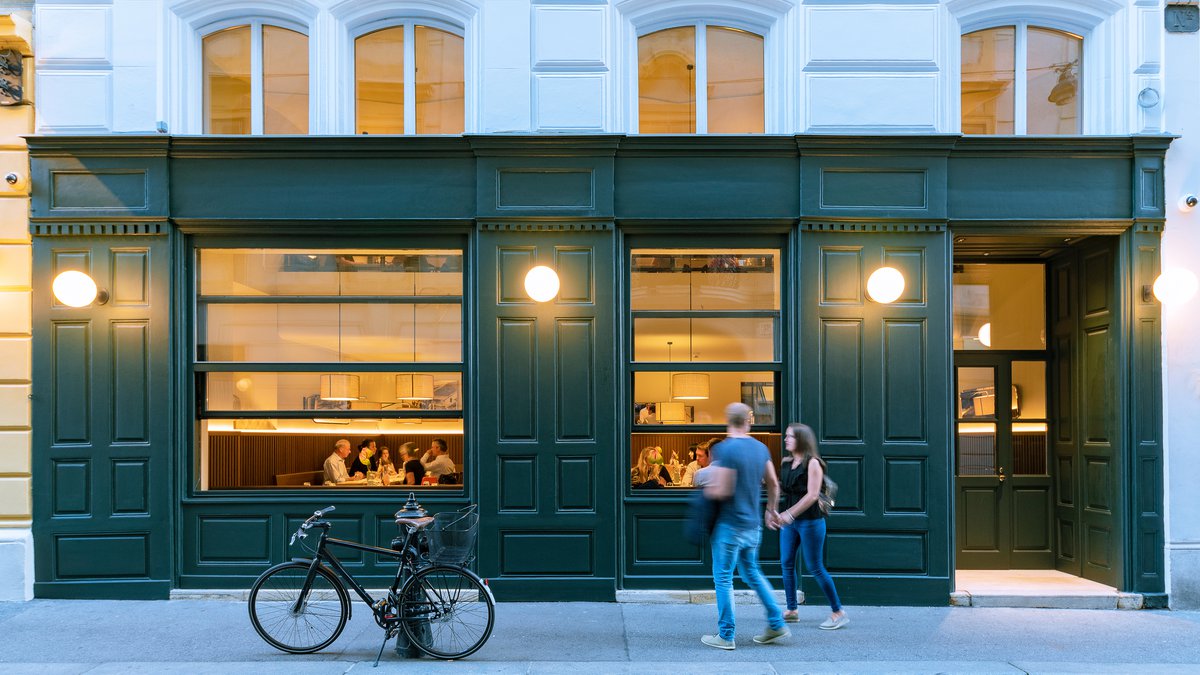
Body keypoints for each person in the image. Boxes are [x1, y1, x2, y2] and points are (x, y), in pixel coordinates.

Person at [701, 403, 789, 650]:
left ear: (728, 422)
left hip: (728, 525)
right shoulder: (761, 448)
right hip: (752, 524)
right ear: (748, 421)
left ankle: (726, 635)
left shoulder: (726, 449)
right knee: (752, 573)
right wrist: (771, 510)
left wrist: (706, 485)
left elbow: (722, 490)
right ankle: (776, 622)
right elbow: (773, 483)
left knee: (723, 578)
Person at [774, 422, 848, 630]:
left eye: (790, 436)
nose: (786, 439)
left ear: (801, 440)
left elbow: (813, 495)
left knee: (815, 566)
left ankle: (838, 612)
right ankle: (792, 610)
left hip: (810, 521)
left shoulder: (813, 464)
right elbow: (782, 488)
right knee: (786, 563)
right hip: (790, 522)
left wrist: (789, 514)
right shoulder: (786, 462)